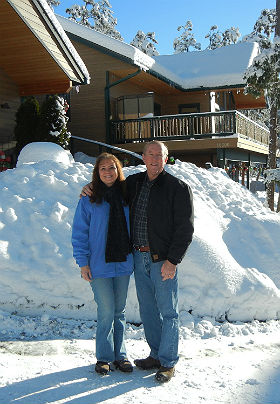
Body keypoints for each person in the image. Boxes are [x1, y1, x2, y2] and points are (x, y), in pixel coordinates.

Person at [81, 141, 194, 382]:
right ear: (143, 157)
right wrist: (89, 187)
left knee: (168, 312)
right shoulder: (133, 183)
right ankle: (155, 355)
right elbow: (107, 185)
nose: (154, 159)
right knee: (148, 310)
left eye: (159, 155)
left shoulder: (178, 188)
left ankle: (168, 361)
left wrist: (173, 261)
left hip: (162, 260)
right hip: (137, 256)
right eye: (150, 154)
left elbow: (185, 229)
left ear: (166, 158)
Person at [72, 153, 134, 376]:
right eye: (103, 169)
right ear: (97, 173)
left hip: (124, 262)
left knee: (120, 311)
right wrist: (83, 263)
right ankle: (104, 357)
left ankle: (121, 355)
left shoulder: (128, 195)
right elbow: (79, 233)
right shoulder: (89, 198)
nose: (108, 172)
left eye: (112, 168)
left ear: (118, 170)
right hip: (98, 265)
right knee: (107, 310)